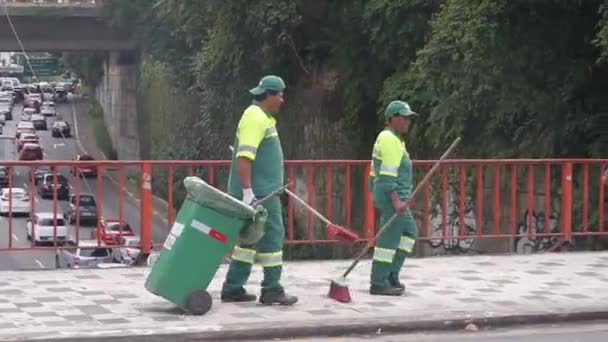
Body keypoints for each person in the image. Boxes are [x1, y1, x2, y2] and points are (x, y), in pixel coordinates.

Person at [220, 75, 298, 306]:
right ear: (269, 95)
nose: (282, 100)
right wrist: (248, 192)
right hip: (261, 195)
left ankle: (233, 288)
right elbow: (245, 156)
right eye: (280, 95)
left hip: (260, 192)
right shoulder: (256, 117)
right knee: (273, 239)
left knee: (247, 242)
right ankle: (272, 289)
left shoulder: (259, 116)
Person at [368, 100, 419, 296]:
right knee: (388, 240)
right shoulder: (389, 138)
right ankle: (378, 282)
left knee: (409, 234)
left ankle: (391, 274)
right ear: (392, 119)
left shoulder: (397, 139)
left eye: (409, 118)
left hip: (396, 196)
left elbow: (380, 171)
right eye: (404, 117)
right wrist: (396, 199)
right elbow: (388, 175)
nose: (408, 121)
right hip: (391, 197)